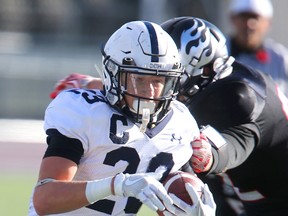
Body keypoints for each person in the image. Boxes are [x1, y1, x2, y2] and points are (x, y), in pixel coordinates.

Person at [28, 20, 216, 216]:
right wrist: (117, 185)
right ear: (113, 75)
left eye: (158, 80)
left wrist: (192, 209)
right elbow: (45, 199)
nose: (149, 91)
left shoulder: (181, 124)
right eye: (139, 79)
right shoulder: (86, 112)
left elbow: (175, 197)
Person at [160, 16, 288, 216]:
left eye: (169, 72)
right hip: (241, 190)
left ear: (203, 69)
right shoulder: (212, 83)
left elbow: (232, 144)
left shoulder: (238, 97)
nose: (160, 82)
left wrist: (209, 155)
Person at [227, 0, 288, 96]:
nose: (249, 24)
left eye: (255, 17)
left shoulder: (281, 59)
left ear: (268, 23)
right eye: (244, 16)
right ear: (232, 19)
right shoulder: (218, 52)